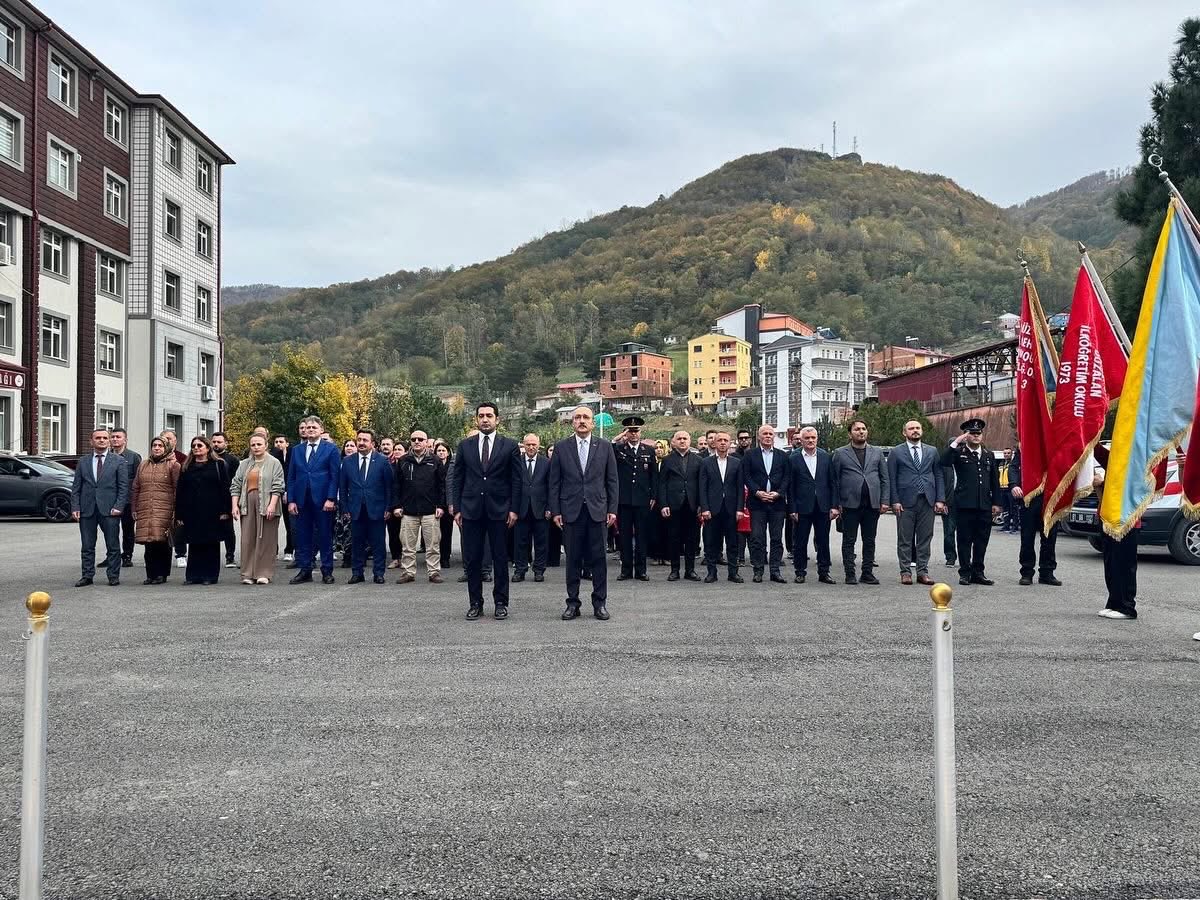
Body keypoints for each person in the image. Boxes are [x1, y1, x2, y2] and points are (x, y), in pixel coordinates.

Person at [449, 403, 522, 621]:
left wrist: (514, 509)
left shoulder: (509, 446)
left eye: (489, 415)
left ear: (497, 419)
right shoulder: (465, 446)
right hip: (471, 511)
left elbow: (516, 480)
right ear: (476, 419)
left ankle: (501, 603)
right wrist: (457, 508)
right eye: (481, 416)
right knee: (472, 560)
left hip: (499, 511)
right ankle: (475, 604)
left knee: (500, 558)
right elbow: (458, 478)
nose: (485, 419)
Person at [549, 406, 619, 620]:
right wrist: (556, 511)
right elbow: (554, 482)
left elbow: (612, 481)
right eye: (577, 417)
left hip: (598, 511)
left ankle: (600, 603)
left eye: (586, 417)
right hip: (570, 512)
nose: (581, 421)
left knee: (599, 560)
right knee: (573, 560)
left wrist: (612, 510)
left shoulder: (605, 447)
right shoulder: (562, 448)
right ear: (572, 422)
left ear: (593, 423)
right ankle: (573, 603)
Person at [941, 418, 1002, 586]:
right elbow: (944, 462)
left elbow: (994, 481)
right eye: (972, 433)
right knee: (964, 540)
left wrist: (996, 503)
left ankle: (978, 572)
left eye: (978, 433)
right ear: (966, 436)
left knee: (982, 540)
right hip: (965, 505)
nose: (976, 436)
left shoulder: (988, 455)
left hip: (984, 505)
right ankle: (965, 572)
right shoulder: (959, 453)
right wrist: (956, 443)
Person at [831, 419, 889, 586]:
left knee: (869, 540)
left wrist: (885, 500)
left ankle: (867, 573)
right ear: (850, 433)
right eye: (857, 429)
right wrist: (836, 504)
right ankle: (850, 573)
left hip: (872, 504)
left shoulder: (877, 452)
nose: (861, 432)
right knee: (849, 540)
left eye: (863, 429)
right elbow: (834, 480)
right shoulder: (841, 453)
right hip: (849, 505)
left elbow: (884, 478)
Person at [887, 420, 946, 586]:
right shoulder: (896, 452)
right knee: (905, 538)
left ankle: (922, 572)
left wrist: (940, 499)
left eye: (917, 428)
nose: (915, 431)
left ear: (922, 431)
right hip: (905, 502)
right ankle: (905, 572)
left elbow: (939, 475)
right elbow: (891, 478)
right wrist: (895, 501)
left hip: (927, 500)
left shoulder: (932, 451)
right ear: (904, 432)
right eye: (911, 428)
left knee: (925, 538)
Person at [70, 428, 130, 587]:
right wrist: (75, 506)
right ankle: (87, 575)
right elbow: (76, 486)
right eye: (98, 438)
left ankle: (113, 576)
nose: (102, 440)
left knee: (113, 545)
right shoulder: (83, 461)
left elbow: (124, 487)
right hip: (87, 509)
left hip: (110, 509)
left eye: (105, 438)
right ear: (92, 441)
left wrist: (119, 506)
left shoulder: (118, 461)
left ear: (109, 441)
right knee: (87, 545)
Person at [331, 428, 392, 585]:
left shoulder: (382, 461)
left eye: (365, 440)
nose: (361, 443)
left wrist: (387, 508)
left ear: (372, 443)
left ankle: (378, 573)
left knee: (378, 543)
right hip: (355, 509)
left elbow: (389, 487)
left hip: (377, 509)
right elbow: (342, 488)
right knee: (356, 543)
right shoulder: (348, 461)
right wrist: (345, 508)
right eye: (359, 440)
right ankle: (357, 573)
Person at [287, 415, 342, 585]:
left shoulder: (331, 449)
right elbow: (292, 477)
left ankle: (327, 571)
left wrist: (331, 498)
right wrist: (291, 500)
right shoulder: (297, 450)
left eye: (313, 427)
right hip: (302, 500)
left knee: (324, 535)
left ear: (321, 430)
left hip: (323, 500)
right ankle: (305, 570)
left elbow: (335, 476)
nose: (310, 430)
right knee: (302, 536)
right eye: (307, 427)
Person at [175, 435, 232, 585]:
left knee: (211, 543)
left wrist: (225, 510)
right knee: (194, 543)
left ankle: (210, 575)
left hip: (212, 510)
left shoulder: (218, 465)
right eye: (194, 446)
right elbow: (180, 490)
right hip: (192, 511)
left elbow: (225, 488)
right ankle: (193, 575)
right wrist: (179, 513)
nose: (196, 448)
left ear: (208, 448)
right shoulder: (186, 466)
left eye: (200, 446)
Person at [231, 433, 286, 585]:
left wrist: (272, 505)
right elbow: (236, 484)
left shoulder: (274, 463)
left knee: (266, 539)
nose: (256, 447)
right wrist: (234, 505)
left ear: (266, 445)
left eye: (259, 444)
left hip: (268, 503)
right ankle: (247, 573)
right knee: (247, 539)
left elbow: (278, 485)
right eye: (253, 444)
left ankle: (263, 573)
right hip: (248, 503)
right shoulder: (244, 464)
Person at [392, 429, 444, 584]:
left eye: (420, 439)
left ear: (426, 442)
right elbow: (396, 486)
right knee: (407, 545)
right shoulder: (403, 461)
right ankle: (408, 572)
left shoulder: (435, 461)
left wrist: (441, 506)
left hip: (430, 511)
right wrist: (396, 505)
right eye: (413, 439)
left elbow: (441, 486)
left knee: (433, 545)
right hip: (408, 511)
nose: (416, 442)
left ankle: (433, 572)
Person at [1092, 445, 1138, 619]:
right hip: (1108, 517)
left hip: (1126, 520)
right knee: (1111, 564)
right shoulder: (1115, 461)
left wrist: (1102, 483)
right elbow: (1100, 453)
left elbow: (1128, 486)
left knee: (1124, 564)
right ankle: (1114, 602)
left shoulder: (1136, 464)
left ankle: (1127, 607)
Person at [787, 426, 836, 585]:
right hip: (802, 507)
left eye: (813, 438)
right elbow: (791, 486)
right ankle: (800, 572)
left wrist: (834, 506)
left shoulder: (826, 456)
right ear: (801, 440)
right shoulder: (793, 458)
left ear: (817, 439)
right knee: (800, 541)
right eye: (807, 438)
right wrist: (792, 508)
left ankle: (824, 572)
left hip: (823, 506)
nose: (810, 440)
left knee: (823, 541)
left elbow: (832, 483)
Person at [742, 424, 790, 584]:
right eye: (765, 434)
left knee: (776, 538)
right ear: (759, 436)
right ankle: (758, 570)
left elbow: (787, 477)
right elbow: (746, 476)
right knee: (757, 538)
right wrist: (757, 491)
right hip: (757, 503)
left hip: (777, 504)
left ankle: (775, 571)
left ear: (774, 436)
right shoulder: (750, 455)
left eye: (770, 433)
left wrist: (779, 493)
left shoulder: (783, 456)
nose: (768, 436)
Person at [612, 416, 658, 581]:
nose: (633, 434)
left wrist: (653, 496)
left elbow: (654, 476)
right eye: (630, 431)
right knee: (624, 537)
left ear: (640, 432)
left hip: (642, 500)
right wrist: (617, 438)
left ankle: (641, 571)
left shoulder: (649, 450)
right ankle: (625, 570)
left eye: (636, 431)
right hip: (624, 500)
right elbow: (608, 449)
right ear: (626, 433)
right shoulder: (619, 449)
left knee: (641, 536)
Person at [1008, 445, 1061, 587]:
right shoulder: (1026, 444)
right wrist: (1014, 485)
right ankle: (1026, 572)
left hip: (1051, 497)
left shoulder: (1056, 444)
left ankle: (1047, 573)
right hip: (1030, 497)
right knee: (1027, 537)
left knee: (1050, 537)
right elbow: (1014, 467)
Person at [130, 437, 179, 584]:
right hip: (145, 508)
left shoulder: (173, 465)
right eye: (154, 445)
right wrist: (134, 507)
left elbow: (177, 489)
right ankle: (150, 574)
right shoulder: (143, 465)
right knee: (148, 543)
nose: (157, 448)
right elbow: (136, 487)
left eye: (160, 446)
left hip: (164, 509)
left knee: (162, 542)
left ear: (166, 448)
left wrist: (176, 510)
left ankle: (161, 574)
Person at [657, 430, 704, 581]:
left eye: (685, 438)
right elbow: (662, 484)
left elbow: (702, 485)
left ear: (690, 441)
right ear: (674, 442)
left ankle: (690, 570)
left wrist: (702, 505)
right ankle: (674, 570)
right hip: (673, 505)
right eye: (679, 439)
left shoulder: (698, 460)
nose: (682, 441)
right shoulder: (667, 460)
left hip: (692, 505)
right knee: (674, 538)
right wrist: (663, 504)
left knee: (691, 539)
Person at [698, 430, 743, 583]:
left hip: (731, 509)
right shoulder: (705, 463)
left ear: (730, 443)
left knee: (732, 543)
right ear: (714, 443)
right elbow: (702, 488)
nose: (723, 443)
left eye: (726, 440)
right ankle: (711, 573)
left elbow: (739, 489)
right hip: (712, 509)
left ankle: (733, 573)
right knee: (711, 542)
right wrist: (704, 508)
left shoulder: (737, 463)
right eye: (720, 440)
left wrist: (739, 509)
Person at [513, 433, 550, 583]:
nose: (531, 447)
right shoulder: (516, 462)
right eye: (528, 444)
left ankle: (539, 570)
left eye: (534, 444)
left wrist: (550, 507)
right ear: (523, 445)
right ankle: (520, 570)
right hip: (521, 509)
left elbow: (551, 487)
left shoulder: (546, 463)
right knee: (520, 542)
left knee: (541, 542)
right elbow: (512, 486)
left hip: (541, 509)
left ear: (539, 445)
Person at [110, 428, 141, 568]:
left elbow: (138, 480)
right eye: (113, 437)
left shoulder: (133, 457)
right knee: (111, 529)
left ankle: (127, 555)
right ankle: (111, 556)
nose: (115, 439)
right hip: (110, 500)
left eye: (118, 437)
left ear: (125, 440)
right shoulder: (107, 456)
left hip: (127, 501)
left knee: (128, 530)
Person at [210, 431, 240, 568]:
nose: (216, 444)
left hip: (227, 499)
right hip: (210, 500)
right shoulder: (207, 458)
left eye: (219, 442)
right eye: (214, 442)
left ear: (225, 443)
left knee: (228, 530)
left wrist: (235, 503)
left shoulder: (232, 460)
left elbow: (236, 482)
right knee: (210, 530)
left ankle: (230, 557)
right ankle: (210, 558)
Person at [161, 430, 188, 568]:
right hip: (161, 499)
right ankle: (164, 556)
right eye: (164, 438)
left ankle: (181, 554)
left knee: (178, 528)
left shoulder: (183, 458)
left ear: (175, 441)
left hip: (178, 498)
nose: (167, 441)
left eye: (169, 438)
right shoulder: (155, 457)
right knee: (162, 529)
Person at [272, 435, 295, 564]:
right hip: (274, 494)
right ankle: (272, 550)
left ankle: (289, 550)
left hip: (287, 494)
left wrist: (288, 492)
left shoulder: (291, 456)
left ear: (287, 443)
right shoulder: (271, 456)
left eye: (281, 441)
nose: (278, 444)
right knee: (272, 524)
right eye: (276, 442)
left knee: (289, 524)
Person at [433, 440, 456, 567]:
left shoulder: (452, 465)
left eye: (443, 451)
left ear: (448, 453)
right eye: (439, 451)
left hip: (449, 502)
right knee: (435, 533)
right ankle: (435, 557)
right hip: (436, 503)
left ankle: (445, 557)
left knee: (447, 532)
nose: (441, 453)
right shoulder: (432, 464)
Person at [999, 448, 1020, 533]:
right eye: (1005, 453)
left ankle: (1015, 527)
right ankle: (1006, 525)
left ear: (1011, 454)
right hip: (1002, 489)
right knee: (1005, 509)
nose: (1006, 455)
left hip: (1010, 489)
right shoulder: (1001, 464)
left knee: (1014, 508)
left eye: (1008, 453)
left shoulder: (1014, 464)